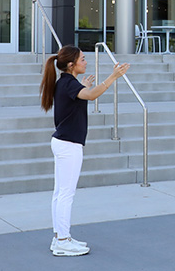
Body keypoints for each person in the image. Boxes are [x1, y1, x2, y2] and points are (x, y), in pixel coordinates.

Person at [40, 45, 129, 257]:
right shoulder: (68, 84)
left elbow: (82, 95)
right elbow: (91, 95)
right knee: (65, 194)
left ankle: (60, 237)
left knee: (60, 193)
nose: (86, 61)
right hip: (68, 144)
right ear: (71, 64)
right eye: (82, 59)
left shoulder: (68, 83)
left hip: (64, 142)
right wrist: (113, 77)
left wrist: (84, 85)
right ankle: (62, 241)